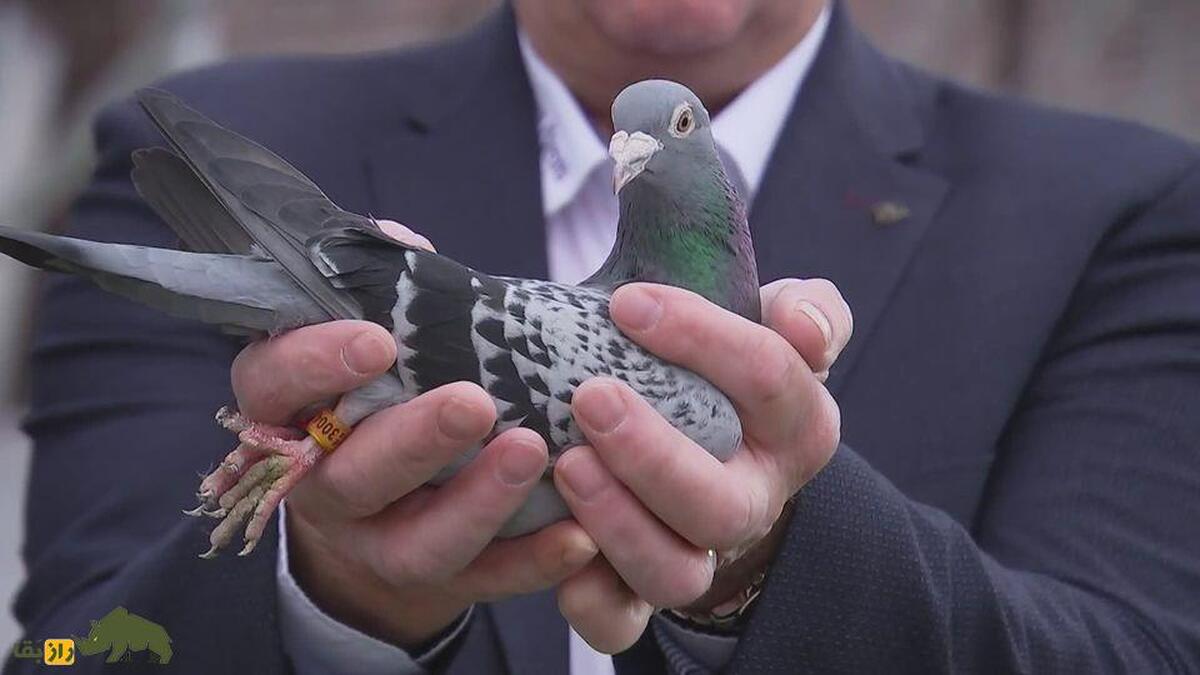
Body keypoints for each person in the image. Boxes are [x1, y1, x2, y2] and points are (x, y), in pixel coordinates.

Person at [10, 0, 1200, 672]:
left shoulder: (1126, 214)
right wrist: (327, 601)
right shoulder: (226, 118)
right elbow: (76, 662)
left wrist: (772, 561)